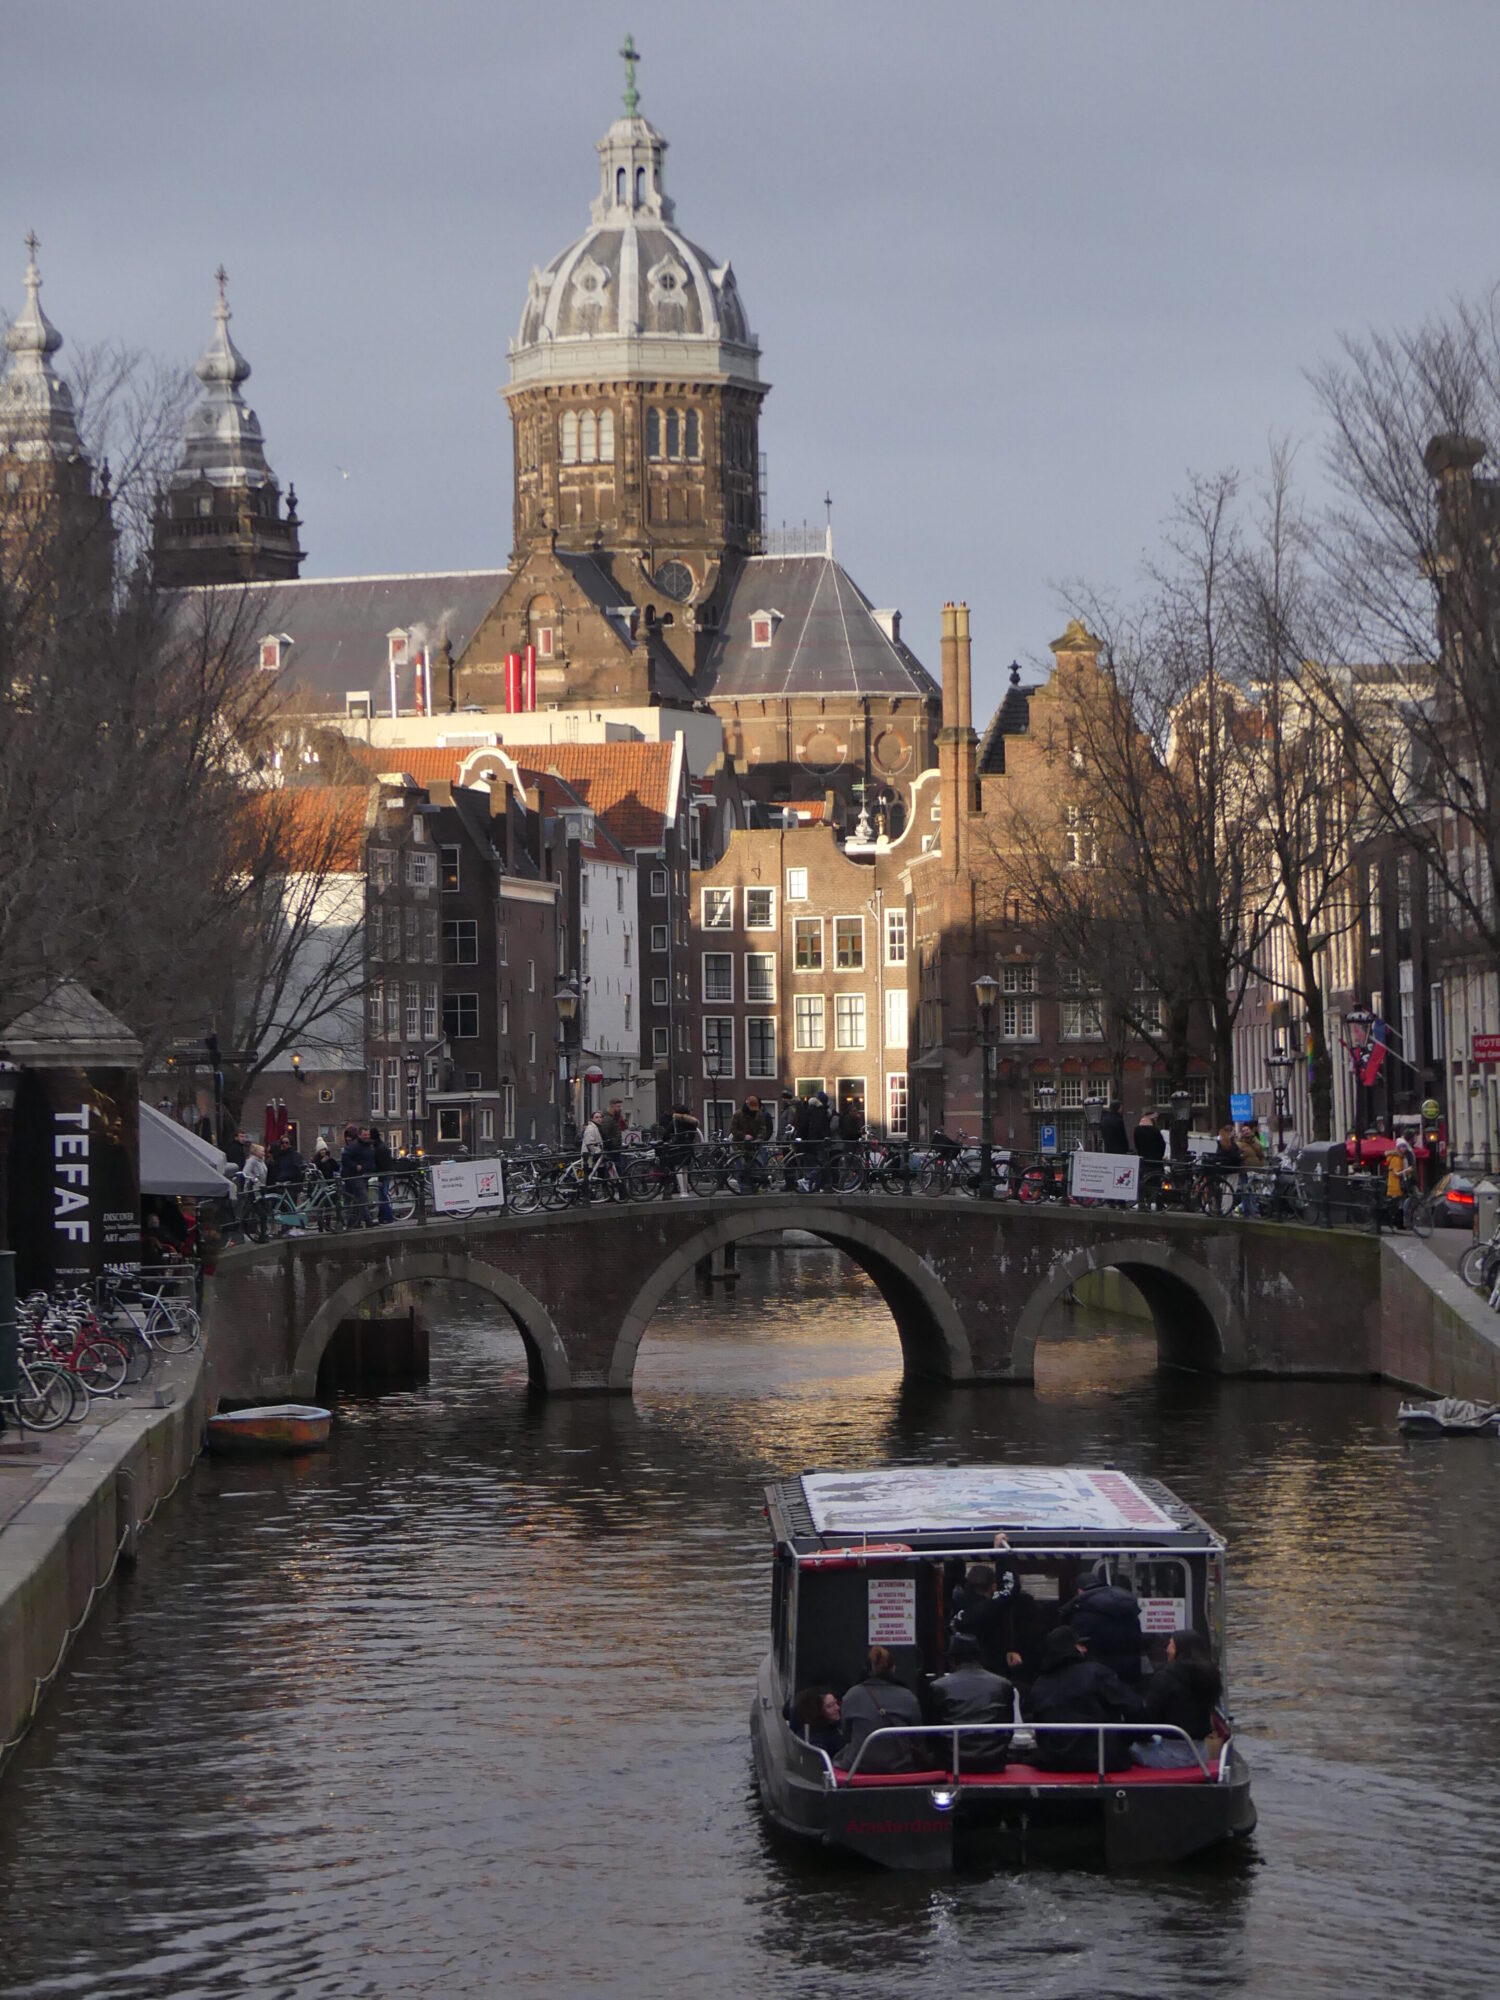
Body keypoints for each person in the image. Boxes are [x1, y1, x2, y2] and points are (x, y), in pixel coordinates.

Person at [1024, 1626, 1144, 1772]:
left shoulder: (1040, 1683)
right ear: (1071, 1648)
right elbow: (1133, 1706)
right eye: (1080, 1645)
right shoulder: (1097, 1673)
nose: (1085, 1649)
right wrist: (1132, 1738)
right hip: (1102, 1760)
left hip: (1053, 1762)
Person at [1132, 1629, 1224, 1768]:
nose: (1167, 1649)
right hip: (1201, 1753)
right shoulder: (1211, 1677)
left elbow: (1150, 1719)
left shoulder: (1165, 1678)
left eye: (1170, 1644)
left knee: (1129, 1748)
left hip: (1171, 1757)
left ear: (1179, 1650)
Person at [928, 1631, 1014, 1771]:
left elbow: (932, 1732)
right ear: (979, 1657)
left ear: (952, 1659)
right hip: (994, 1760)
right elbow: (1009, 1727)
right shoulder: (1003, 1684)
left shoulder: (939, 1687)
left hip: (953, 1761)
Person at [838, 1645, 924, 1772]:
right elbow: (918, 1737)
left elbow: (847, 1735)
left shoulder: (851, 1695)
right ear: (893, 1668)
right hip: (901, 1766)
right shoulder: (908, 1696)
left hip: (857, 1766)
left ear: (867, 1669)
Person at [1061, 1565, 1144, 1685]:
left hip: (1100, 1669)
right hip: (1131, 1667)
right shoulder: (1126, 1607)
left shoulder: (1084, 1612)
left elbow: (1076, 1643)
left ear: (1080, 1591)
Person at [949, 1559, 1023, 1674]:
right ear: (993, 1586)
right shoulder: (991, 1606)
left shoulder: (955, 1605)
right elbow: (1011, 1589)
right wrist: (1003, 1557)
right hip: (991, 1670)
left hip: (960, 1670)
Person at [730, 1093, 772, 1191]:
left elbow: (763, 1128)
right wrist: (743, 1136)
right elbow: (733, 1129)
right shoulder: (738, 1114)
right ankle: (743, 1188)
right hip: (740, 1145)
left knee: (755, 1166)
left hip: (753, 1145)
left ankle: (753, 1187)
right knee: (741, 1167)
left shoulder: (759, 1114)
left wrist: (759, 1138)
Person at [791, 1687, 844, 1758]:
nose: (837, 1708)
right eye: (829, 1706)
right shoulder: (815, 1740)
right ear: (817, 1712)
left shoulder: (835, 1726)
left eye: (836, 1703)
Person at [339, 1123, 375, 1224]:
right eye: (365, 1135)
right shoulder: (354, 1146)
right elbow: (345, 1158)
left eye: (368, 1135)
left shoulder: (368, 1145)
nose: (367, 1136)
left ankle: (354, 1223)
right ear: (359, 1135)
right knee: (362, 1198)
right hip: (354, 1176)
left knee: (356, 1200)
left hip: (364, 1176)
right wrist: (355, 1166)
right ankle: (368, 1222)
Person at [369, 1122, 396, 1224]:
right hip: (387, 1172)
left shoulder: (379, 1149)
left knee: (382, 1196)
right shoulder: (382, 1146)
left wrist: (380, 1178)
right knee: (382, 1195)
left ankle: (388, 1217)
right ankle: (382, 1217)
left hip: (384, 1174)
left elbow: (381, 1166)